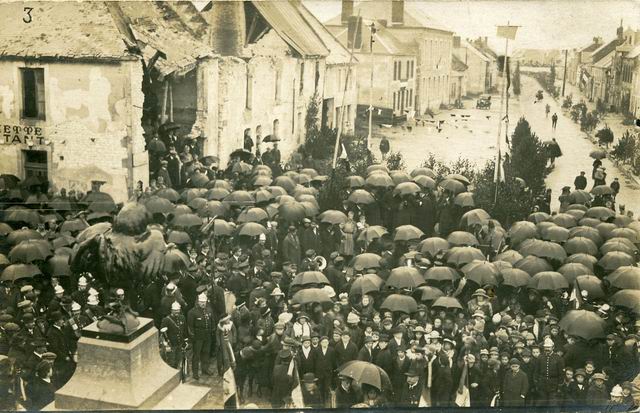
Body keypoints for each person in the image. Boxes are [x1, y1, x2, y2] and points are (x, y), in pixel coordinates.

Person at [187, 293, 214, 380]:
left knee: (206, 353)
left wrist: (212, 330)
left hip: (207, 336)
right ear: (198, 302)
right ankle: (195, 372)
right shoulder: (192, 312)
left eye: (204, 302)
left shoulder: (209, 310)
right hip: (198, 337)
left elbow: (212, 321)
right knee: (196, 355)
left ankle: (205, 369)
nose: (203, 304)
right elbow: (190, 326)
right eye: (201, 302)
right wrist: (193, 337)